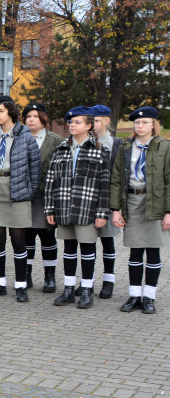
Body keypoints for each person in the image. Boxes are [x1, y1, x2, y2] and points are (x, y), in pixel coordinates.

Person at [45, 106, 111, 309]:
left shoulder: (99, 150)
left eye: (77, 122)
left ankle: (87, 290)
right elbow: (50, 181)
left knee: (87, 249)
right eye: (70, 122)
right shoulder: (61, 149)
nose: (72, 125)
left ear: (89, 125)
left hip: (86, 208)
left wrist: (102, 212)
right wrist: (50, 209)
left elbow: (105, 184)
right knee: (69, 249)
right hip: (64, 206)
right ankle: (68, 289)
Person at [0, 96, 40, 302]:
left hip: (18, 190)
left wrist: (27, 192)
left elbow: (35, 169)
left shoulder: (25, 136)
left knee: (18, 241)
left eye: (1, 111)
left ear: (11, 112)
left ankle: (21, 286)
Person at [111, 106, 168, 314]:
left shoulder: (164, 147)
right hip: (132, 201)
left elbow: (169, 180)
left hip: (155, 202)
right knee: (135, 251)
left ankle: (149, 297)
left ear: (154, 125)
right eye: (137, 123)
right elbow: (116, 179)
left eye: (145, 122)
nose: (140, 126)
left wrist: (169, 212)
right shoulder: (126, 147)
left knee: (153, 250)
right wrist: (115, 209)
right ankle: (135, 296)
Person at [23, 102, 63, 292]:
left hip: (46, 197)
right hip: (25, 197)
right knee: (27, 237)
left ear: (43, 118)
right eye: (28, 117)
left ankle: (49, 276)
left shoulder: (55, 140)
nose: (31, 119)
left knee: (47, 238)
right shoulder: (19, 139)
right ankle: (27, 274)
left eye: (35, 116)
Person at [89, 104, 125, 298]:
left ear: (106, 121)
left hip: (108, 199)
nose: (93, 124)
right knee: (87, 242)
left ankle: (109, 279)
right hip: (88, 199)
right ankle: (89, 279)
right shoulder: (85, 142)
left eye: (96, 120)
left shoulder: (116, 144)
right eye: (91, 121)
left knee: (107, 241)